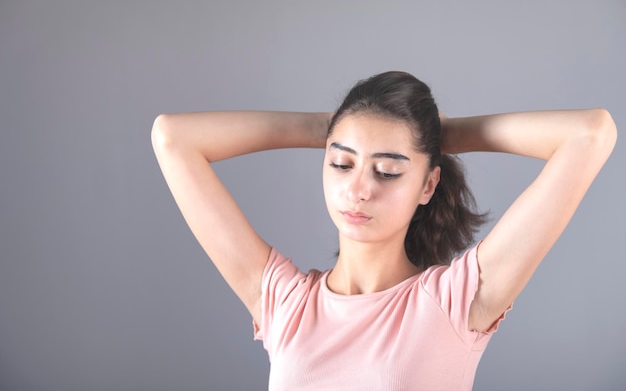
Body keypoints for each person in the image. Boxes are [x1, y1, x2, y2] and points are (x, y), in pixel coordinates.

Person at [151, 71, 616, 391]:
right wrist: (334, 126)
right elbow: (172, 137)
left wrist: (442, 134)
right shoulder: (284, 303)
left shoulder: (454, 302)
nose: (359, 189)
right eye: (341, 162)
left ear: (428, 183)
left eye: (388, 171)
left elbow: (590, 134)